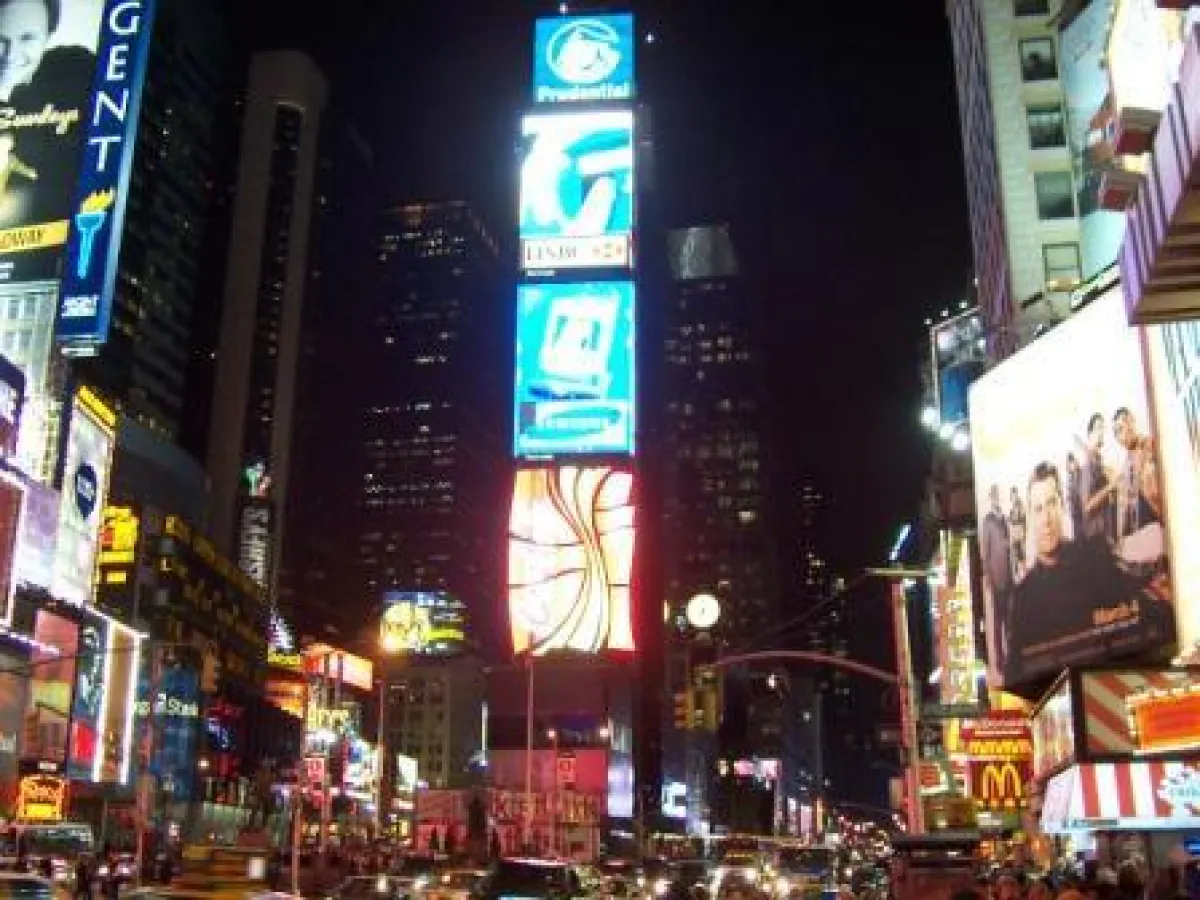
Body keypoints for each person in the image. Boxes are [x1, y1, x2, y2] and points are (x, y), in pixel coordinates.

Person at [1004, 461, 1173, 684]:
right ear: (1030, 517)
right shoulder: (1023, 597)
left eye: (1051, 503)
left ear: (1062, 505)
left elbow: (1139, 606)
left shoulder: (1094, 555)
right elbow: (1015, 676)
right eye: (1038, 509)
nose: (1046, 519)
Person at [980, 484, 1014, 674]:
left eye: (998, 495)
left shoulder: (1004, 518)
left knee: (1010, 620)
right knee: (997, 622)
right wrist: (987, 576)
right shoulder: (988, 520)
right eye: (994, 496)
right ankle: (999, 663)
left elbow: (1009, 545)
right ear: (991, 498)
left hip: (1009, 575)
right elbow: (985, 551)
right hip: (996, 576)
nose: (997, 499)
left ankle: (1011, 659)